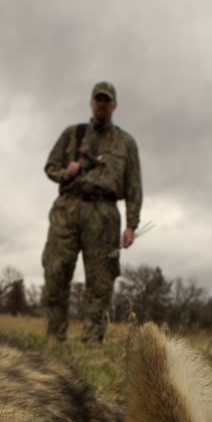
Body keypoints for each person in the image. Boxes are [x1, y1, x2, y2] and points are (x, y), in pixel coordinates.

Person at [42, 81, 143, 343]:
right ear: (91, 102)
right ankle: (55, 337)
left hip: (104, 213)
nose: (102, 104)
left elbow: (134, 186)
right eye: (98, 99)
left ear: (114, 105)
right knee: (56, 270)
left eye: (107, 100)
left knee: (101, 280)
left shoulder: (126, 143)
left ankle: (92, 342)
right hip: (68, 208)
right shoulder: (72, 134)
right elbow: (50, 166)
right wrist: (65, 173)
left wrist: (131, 225)